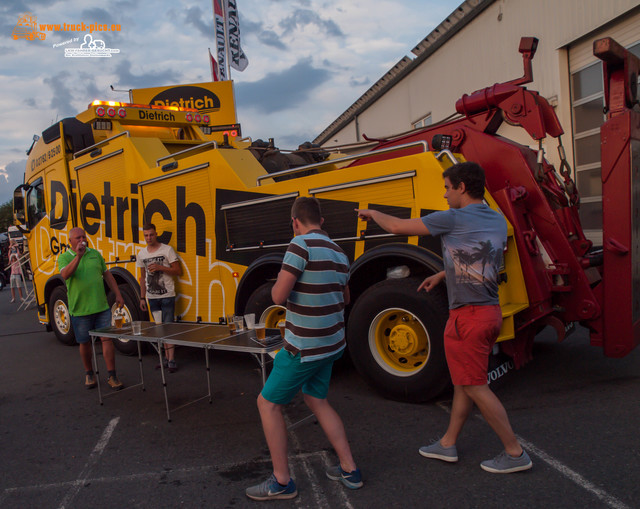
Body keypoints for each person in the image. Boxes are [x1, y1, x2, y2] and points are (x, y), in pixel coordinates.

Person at [356, 162, 532, 474]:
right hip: (487, 311)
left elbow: (397, 227)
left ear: (462, 187)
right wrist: (442, 274)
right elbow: (483, 254)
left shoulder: (452, 218)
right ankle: (448, 443)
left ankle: (514, 451)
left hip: (470, 316)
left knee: (476, 385)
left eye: (448, 187)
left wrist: (372, 213)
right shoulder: (494, 216)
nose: (445, 193)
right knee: (464, 383)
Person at [245, 197, 362, 501]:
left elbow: (278, 296)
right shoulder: (339, 251)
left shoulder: (299, 245)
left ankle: (282, 482)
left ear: (295, 222)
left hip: (303, 346)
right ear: (321, 221)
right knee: (317, 399)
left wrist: (282, 283)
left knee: (267, 404)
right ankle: (349, 468)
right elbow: (345, 298)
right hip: (331, 344)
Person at [58, 227, 125, 391]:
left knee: (107, 339)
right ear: (70, 241)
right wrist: (79, 256)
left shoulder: (95, 254)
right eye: (78, 238)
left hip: (101, 307)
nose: (82, 240)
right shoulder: (64, 257)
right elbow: (65, 275)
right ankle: (89, 373)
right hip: (80, 310)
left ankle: (112, 375)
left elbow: (107, 275)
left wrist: (118, 294)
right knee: (84, 342)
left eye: (84, 237)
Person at [136, 223, 182, 372]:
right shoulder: (142, 254)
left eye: (151, 235)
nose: (148, 238)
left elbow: (178, 270)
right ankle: (165, 359)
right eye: (146, 235)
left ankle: (172, 360)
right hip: (151, 297)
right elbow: (142, 278)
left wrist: (160, 267)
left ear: (156, 234)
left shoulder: (167, 250)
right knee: (159, 328)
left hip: (167, 294)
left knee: (169, 327)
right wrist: (142, 298)